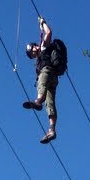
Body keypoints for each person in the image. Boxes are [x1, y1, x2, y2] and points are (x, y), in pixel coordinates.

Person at [22, 16, 58, 144]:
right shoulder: (38, 60)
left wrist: (43, 23)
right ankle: (52, 130)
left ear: (34, 46)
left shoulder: (43, 46)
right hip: (53, 79)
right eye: (31, 54)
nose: (32, 53)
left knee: (40, 82)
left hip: (47, 73)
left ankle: (38, 101)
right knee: (50, 103)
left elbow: (48, 32)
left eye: (31, 50)